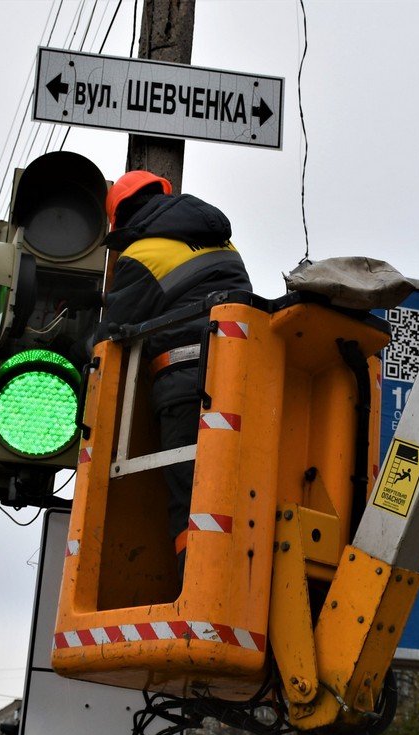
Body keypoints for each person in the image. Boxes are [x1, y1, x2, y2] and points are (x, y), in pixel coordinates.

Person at [92, 170, 252, 578]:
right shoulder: (224, 241)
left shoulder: (141, 255)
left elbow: (110, 335)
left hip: (184, 388)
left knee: (190, 500)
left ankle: (197, 591)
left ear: (122, 219)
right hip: (241, 382)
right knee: (233, 495)